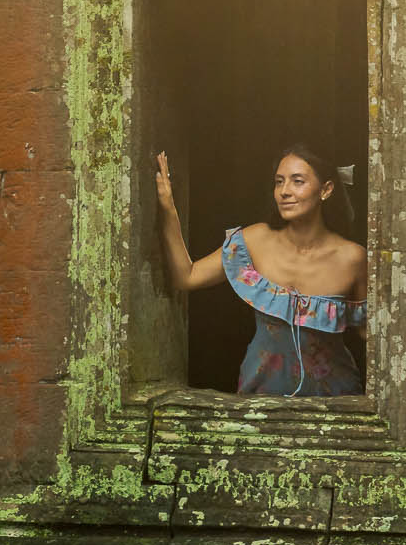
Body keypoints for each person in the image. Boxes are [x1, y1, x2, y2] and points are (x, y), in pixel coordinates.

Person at [151, 145, 366, 397]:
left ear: (326, 190)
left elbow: (369, 334)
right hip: (260, 394)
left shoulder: (354, 258)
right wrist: (168, 207)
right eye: (279, 182)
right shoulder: (253, 240)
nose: (284, 191)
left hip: (335, 399)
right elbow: (186, 276)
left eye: (297, 181)